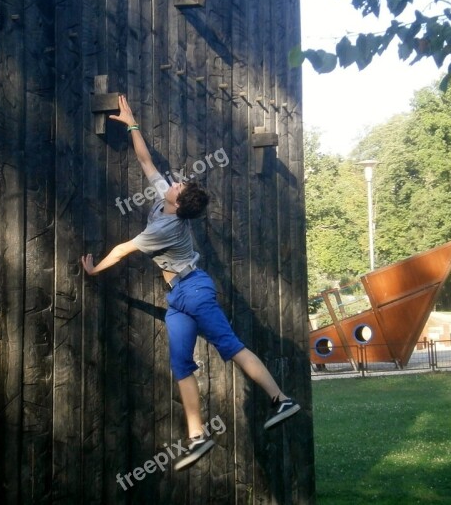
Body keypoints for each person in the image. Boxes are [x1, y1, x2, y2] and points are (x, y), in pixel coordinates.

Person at [81, 95, 300, 471]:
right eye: (178, 182)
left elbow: (122, 250)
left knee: (229, 346)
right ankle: (197, 437)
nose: (175, 182)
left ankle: (281, 399)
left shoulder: (165, 226)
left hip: (195, 290)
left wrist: (94, 270)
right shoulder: (164, 200)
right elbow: (146, 160)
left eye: (179, 186)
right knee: (181, 363)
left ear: (178, 203)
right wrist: (131, 123)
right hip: (177, 300)